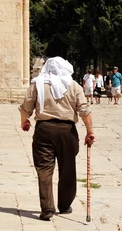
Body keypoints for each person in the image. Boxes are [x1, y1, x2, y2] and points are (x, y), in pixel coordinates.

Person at [19, 57, 96, 221]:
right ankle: (65, 204)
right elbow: (84, 110)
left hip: (44, 130)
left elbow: (26, 106)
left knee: (44, 170)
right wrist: (90, 131)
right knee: (68, 168)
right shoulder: (73, 86)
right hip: (67, 132)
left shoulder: (38, 84)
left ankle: (47, 208)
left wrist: (24, 121)